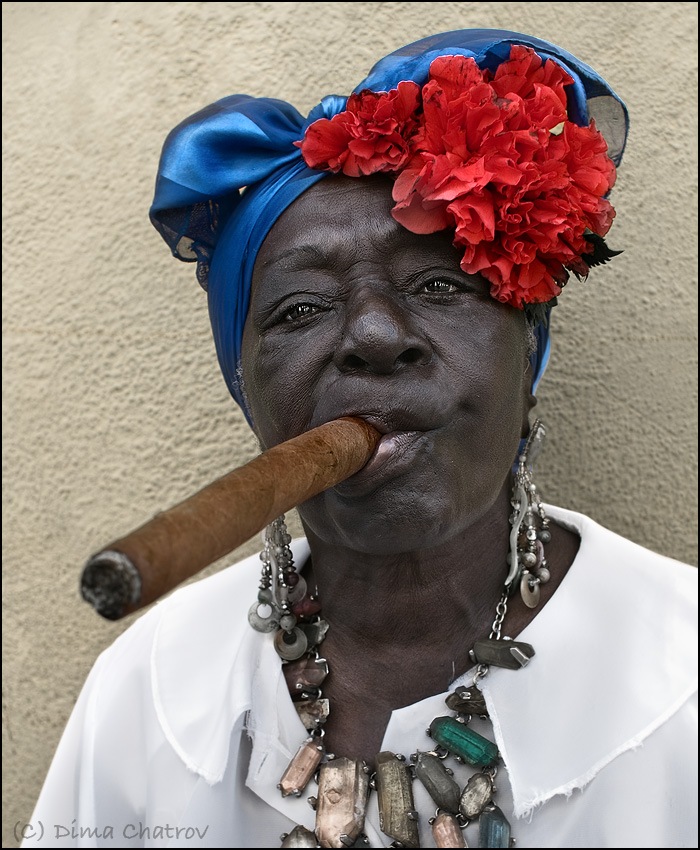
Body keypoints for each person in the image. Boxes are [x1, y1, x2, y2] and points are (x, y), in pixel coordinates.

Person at [24, 28, 697, 849]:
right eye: (302, 308)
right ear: (248, 389)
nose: (375, 334)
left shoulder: (682, 675)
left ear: (528, 355)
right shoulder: (151, 693)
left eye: (440, 283)